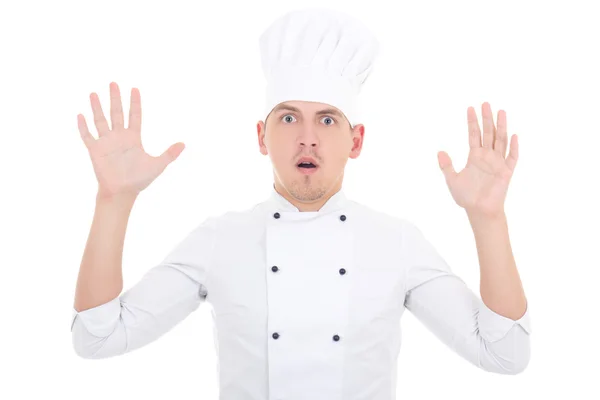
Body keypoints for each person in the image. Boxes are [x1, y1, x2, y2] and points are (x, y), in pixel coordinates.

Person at [71, 7, 531, 400]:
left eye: (327, 120)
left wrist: (487, 219)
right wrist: (114, 200)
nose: (307, 138)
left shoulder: (397, 243)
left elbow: (505, 352)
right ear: (261, 136)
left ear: (356, 141)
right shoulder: (220, 239)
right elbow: (98, 336)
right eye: (288, 117)